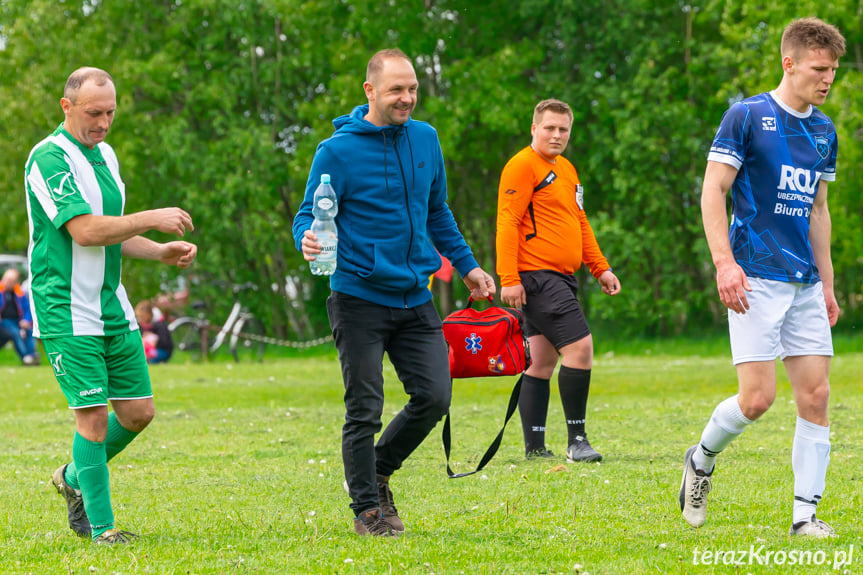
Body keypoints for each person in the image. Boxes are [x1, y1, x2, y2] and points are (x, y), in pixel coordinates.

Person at [292, 48, 496, 537]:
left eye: (412, 90)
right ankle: (368, 508)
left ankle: (376, 468)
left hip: (415, 295)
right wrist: (307, 237)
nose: (406, 99)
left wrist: (467, 267)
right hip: (358, 297)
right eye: (396, 90)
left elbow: (437, 211)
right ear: (370, 91)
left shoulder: (425, 139)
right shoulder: (335, 151)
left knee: (434, 395)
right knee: (364, 408)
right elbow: (308, 214)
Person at [679, 18, 846, 537]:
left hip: (805, 285)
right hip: (755, 277)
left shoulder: (824, 131)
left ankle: (804, 518)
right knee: (756, 400)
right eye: (819, 69)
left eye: (834, 71)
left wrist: (829, 284)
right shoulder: (747, 116)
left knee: (815, 396)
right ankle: (701, 459)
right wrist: (724, 264)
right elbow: (713, 191)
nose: (827, 79)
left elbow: (819, 210)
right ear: (789, 62)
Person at [24, 67, 197, 544]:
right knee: (94, 417)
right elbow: (85, 230)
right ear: (67, 107)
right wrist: (154, 218)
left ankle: (73, 477)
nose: (103, 123)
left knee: (138, 412)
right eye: (93, 113)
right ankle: (102, 530)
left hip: (110, 305)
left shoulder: (106, 155)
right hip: (64, 307)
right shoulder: (48, 159)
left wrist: (158, 250)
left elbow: (113, 232)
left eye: (110, 113)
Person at [496, 98, 621, 464]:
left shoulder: (566, 169)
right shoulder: (522, 166)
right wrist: (508, 277)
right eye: (549, 127)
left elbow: (579, 223)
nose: (556, 135)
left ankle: (535, 447)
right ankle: (577, 440)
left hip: (563, 277)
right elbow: (507, 222)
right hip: (536, 277)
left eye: (563, 129)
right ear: (534, 128)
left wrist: (600, 268)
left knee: (541, 361)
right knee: (580, 349)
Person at [0, 267, 39, 365]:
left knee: (30, 331)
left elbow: (27, 309)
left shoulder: (19, 293)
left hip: (17, 321)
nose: (7, 283)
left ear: (16, 282)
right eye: (6, 280)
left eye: (11, 281)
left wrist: (26, 320)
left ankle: (32, 355)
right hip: (4, 321)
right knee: (15, 333)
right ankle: (25, 357)